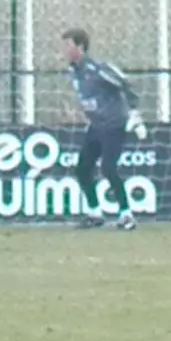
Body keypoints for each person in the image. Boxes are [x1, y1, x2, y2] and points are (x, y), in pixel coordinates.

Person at [61, 28, 146, 231]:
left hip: (114, 125)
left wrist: (134, 113)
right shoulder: (74, 71)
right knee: (82, 169)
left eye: (68, 45)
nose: (64, 50)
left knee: (108, 168)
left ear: (80, 47)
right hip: (96, 127)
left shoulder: (98, 69)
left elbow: (126, 84)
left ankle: (126, 215)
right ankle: (95, 213)